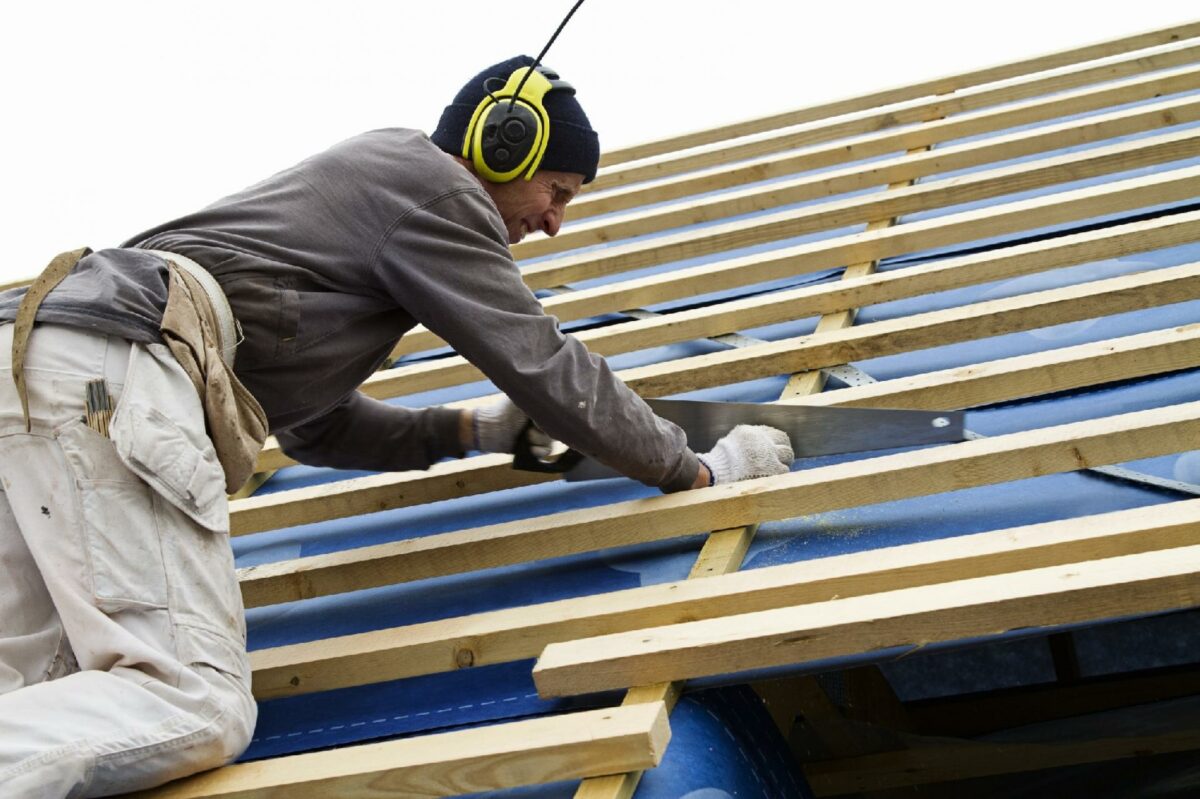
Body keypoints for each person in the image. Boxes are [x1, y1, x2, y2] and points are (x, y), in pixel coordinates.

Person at [0, 55, 793, 796]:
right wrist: (693, 469)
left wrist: (463, 432)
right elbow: (541, 361)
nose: (553, 221)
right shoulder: (434, 187)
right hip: (109, 373)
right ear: (502, 147)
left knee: (45, 691)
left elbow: (314, 428)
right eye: (557, 190)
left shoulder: (350, 217)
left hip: (32, 365)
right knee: (193, 700)